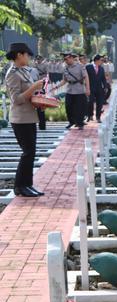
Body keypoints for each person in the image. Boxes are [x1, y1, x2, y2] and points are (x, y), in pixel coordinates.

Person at [4, 42, 45, 197]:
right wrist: (34, 87)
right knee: (27, 152)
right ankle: (20, 186)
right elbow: (17, 99)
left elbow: (28, 96)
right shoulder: (12, 73)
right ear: (19, 55)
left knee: (31, 152)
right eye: (27, 54)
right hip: (20, 119)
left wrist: (39, 100)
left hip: (29, 117)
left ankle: (27, 184)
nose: (28, 57)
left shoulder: (23, 71)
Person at [53, 52, 89, 130]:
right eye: (64, 59)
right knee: (68, 106)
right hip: (69, 90)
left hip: (79, 90)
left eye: (67, 59)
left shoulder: (80, 66)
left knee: (79, 108)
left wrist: (88, 89)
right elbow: (64, 80)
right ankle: (71, 122)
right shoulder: (65, 67)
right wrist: (56, 86)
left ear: (72, 58)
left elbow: (86, 77)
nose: (65, 60)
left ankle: (80, 123)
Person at [86, 54, 107, 123]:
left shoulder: (101, 68)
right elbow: (86, 78)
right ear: (96, 60)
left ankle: (98, 117)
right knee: (90, 102)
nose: (102, 62)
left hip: (99, 88)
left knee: (99, 103)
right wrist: (86, 87)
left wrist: (105, 86)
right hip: (90, 88)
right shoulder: (88, 67)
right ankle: (90, 116)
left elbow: (103, 78)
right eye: (101, 60)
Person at [33, 55, 49, 130]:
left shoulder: (44, 65)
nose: (38, 60)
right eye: (37, 59)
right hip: (34, 86)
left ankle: (42, 125)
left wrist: (45, 83)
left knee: (41, 106)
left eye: (39, 59)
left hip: (42, 83)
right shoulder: (33, 66)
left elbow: (47, 74)